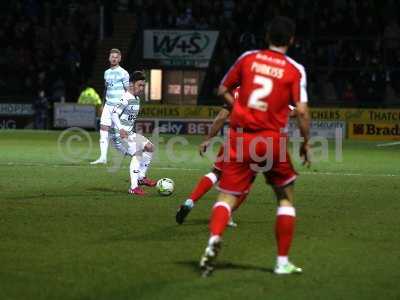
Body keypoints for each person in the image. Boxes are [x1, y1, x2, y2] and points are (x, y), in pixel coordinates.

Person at [199, 16, 311, 277]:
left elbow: (222, 89)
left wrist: (240, 109)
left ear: (267, 36)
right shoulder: (295, 69)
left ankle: (214, 237)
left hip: (242, 139)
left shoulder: (248, 58)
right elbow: (303, 112)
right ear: (292, 40)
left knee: (226, 195)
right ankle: (282, 261)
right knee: (285, 197)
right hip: (271, 140)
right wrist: (306, 143)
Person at [176, 88, 245, 227]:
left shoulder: (236, 91)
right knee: (244, 181)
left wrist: (208, 139)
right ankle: (228, 213)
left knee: (216, 173)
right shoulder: (269, 90)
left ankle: (190, 201)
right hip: (256, 141)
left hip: (233, 140)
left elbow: (221, 117)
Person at [110, 71, 157, 195]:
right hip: (118, 135)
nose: (142, 88)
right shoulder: (125, 98)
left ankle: (141, 177)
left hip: (129, 133)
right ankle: (134, 187)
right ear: (131, 84)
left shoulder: (136, 99)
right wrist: (120, 128)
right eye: (139, 85)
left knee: (150, 147)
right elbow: (114, 113)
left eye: (143, 85)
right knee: (138, 153)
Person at [91, 48, 129, 165]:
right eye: (112, 56)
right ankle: (103, 157)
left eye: (116, 57)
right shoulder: (106, 73)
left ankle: (130, 153)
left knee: (116, 139)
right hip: (108, 105)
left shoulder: (124, 73)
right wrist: (103, 104)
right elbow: (106, 89)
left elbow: (128, 91)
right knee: (103, 128)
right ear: (109, 58)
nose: (114, 58)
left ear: (120, 59)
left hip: (118, 107)